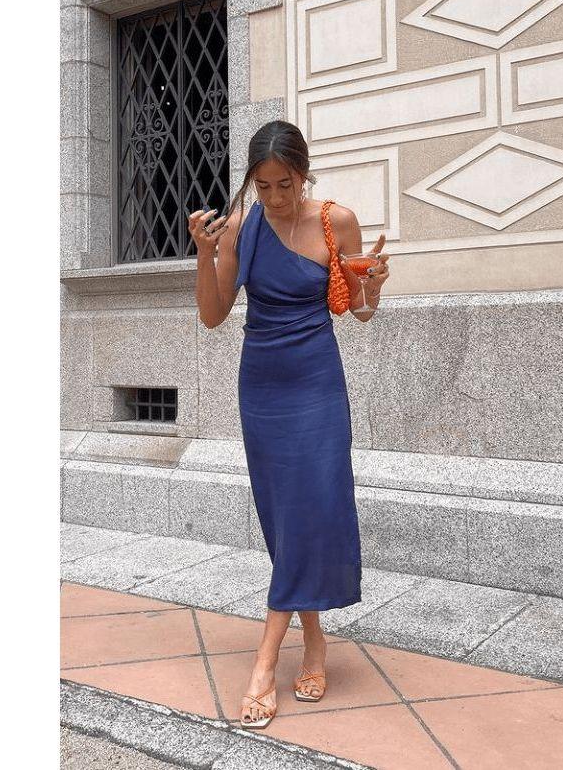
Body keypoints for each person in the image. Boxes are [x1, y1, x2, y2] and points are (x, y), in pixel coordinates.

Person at [187, 120, 391, 729]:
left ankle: (265, 660)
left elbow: (359, 311)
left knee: (311, 509)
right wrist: (205, 253)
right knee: (285, 517)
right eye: (264, 185)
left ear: (305, 173)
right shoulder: (242, 226)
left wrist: (374, 286)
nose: (275, 197)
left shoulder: (338, 221)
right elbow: (213, 315)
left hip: (317, 384)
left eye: (286, 183)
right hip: (263, 385)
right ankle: (316, 642)